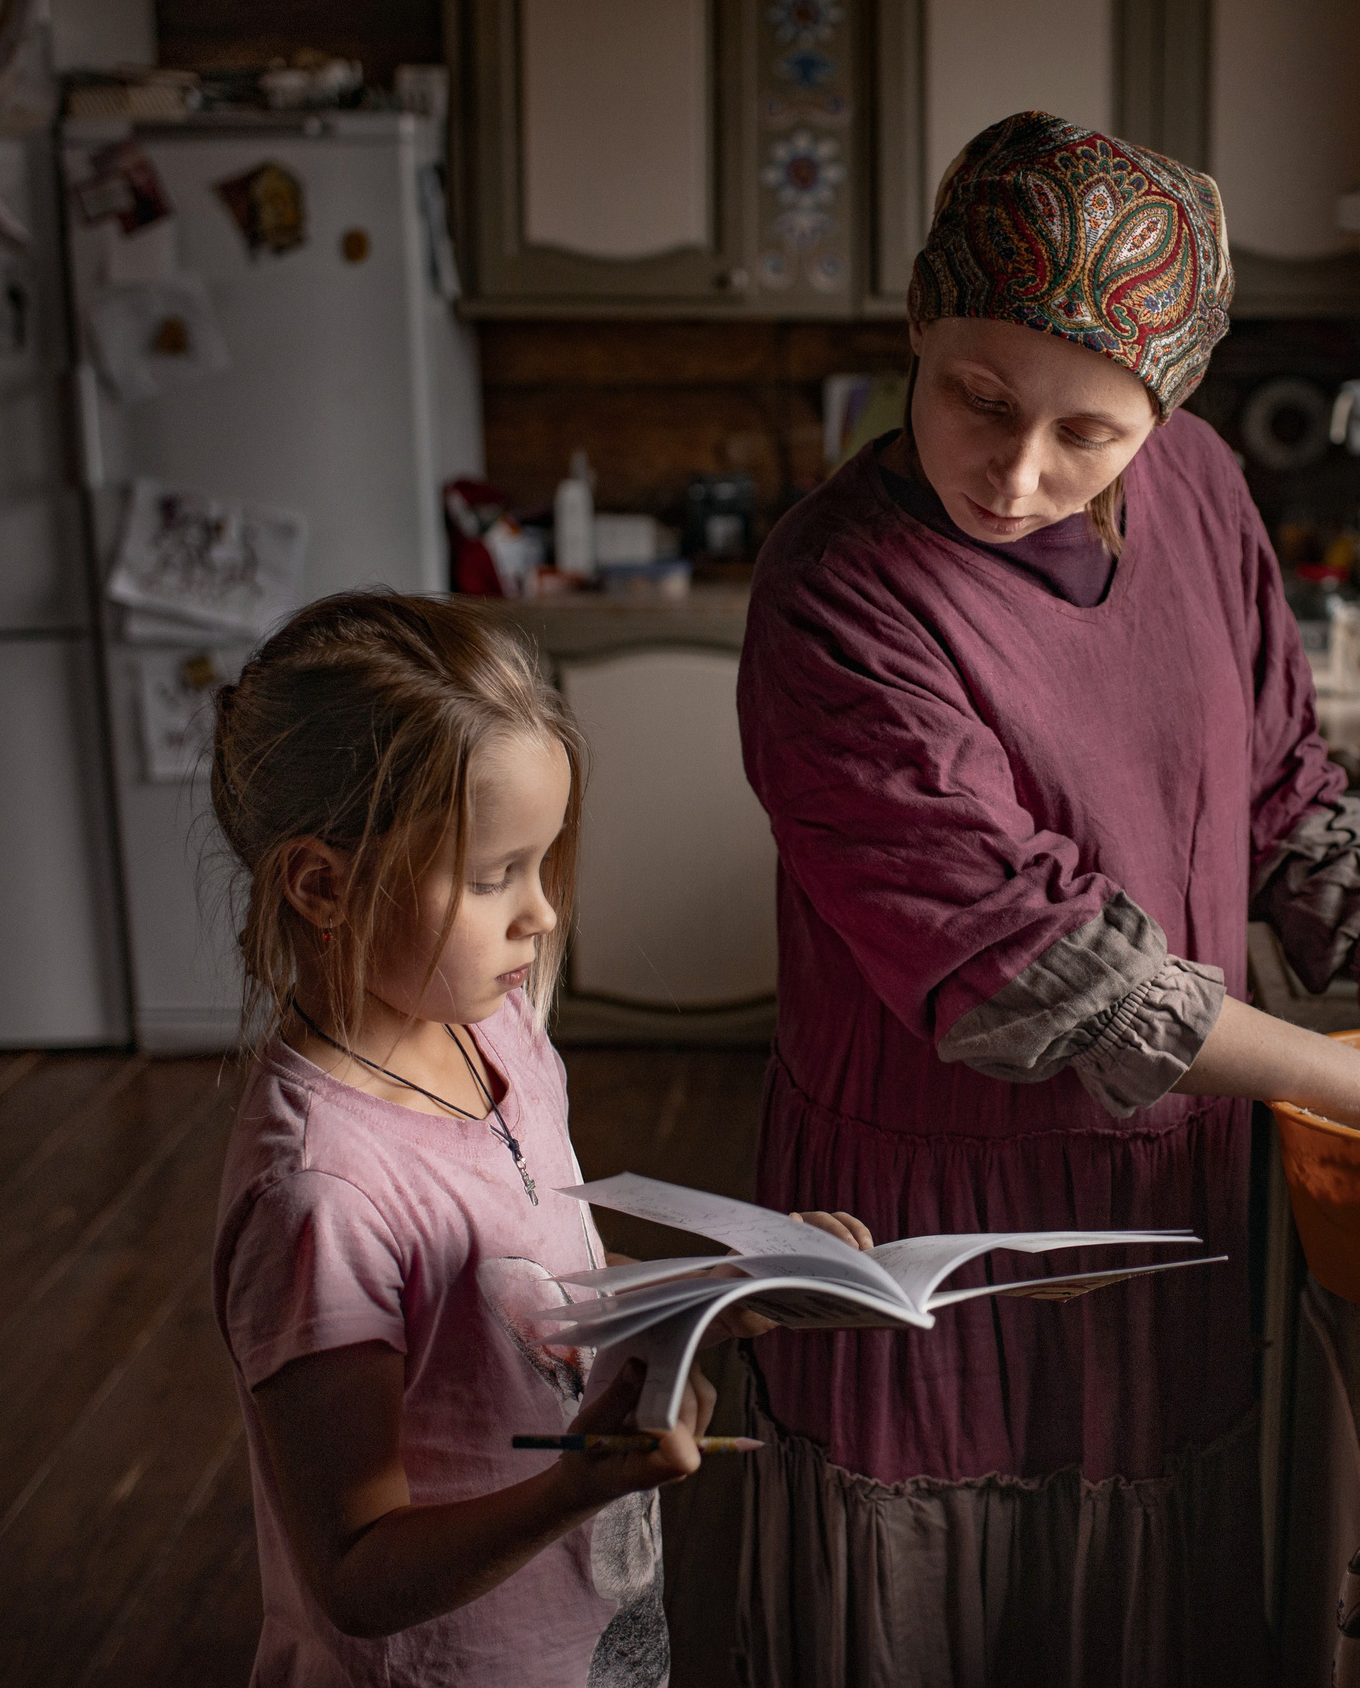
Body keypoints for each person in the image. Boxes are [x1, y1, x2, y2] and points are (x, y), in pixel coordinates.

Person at [734, 112, 1360, 1686]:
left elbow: (1279, 779)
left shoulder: (1199, 490)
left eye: (1088, 432)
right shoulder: (835, 594)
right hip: (935, 1208)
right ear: (918, 321)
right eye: (977, 397)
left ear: (1168, 409)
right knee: (943, 1606)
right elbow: (1033, 962)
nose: (1018, 472)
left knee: (1142, 1581)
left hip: (1167, 1188)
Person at [205, 592, 870, 1688]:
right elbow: (356, 1574)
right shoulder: (321, 1196)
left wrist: (722, 1288)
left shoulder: (494, 1031)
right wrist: (578, 1483)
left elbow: (535, 1288)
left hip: (582, 1641)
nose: (542, 913)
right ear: (323, 883)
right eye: (490, 876)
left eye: (543, 861)